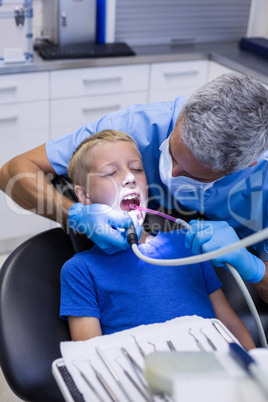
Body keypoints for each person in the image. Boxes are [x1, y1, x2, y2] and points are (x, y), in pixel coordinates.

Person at [1, 72, 268, 300]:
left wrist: (252, 266)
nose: (171, 174)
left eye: (192, 175)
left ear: (247, 166)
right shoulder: (135, 128)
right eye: (171, 154)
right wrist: (74, 214)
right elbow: (11, 173)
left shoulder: (262, 180)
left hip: (222, 272)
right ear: (182, 114)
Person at [60, 129, 255, 350]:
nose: (129, 177)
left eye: (136, 169)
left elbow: (229, 324)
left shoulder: (188, 244)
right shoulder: (80, 271)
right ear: (84, 196)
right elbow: (92, 357)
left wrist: (256, 367)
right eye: (110, 173)